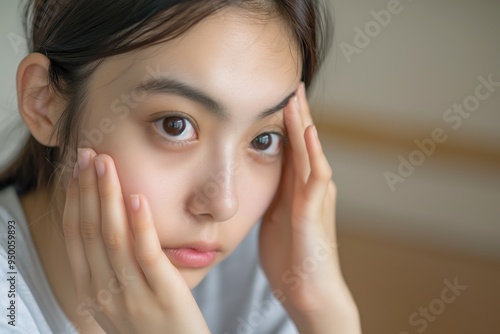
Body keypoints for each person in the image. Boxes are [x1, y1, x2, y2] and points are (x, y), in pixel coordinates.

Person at [0, 0, 361, 333]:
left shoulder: (262, 273)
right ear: (43, 102)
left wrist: (324, 310)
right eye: (175, 125)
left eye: (264, 140)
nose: (223, 205)